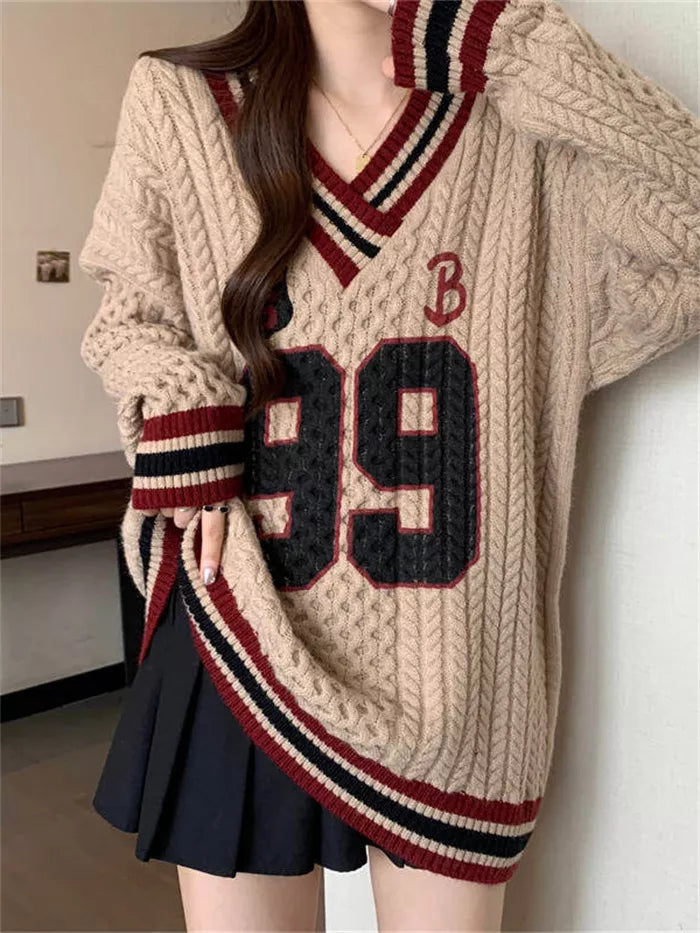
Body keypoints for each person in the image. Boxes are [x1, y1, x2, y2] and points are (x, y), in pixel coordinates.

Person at [78, 0, 700, 929]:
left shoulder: (525, 132)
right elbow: (130, 315)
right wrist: (183, 409)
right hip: (238, 616)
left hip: (459, 661)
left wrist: (510, 42)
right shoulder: (181, 101)